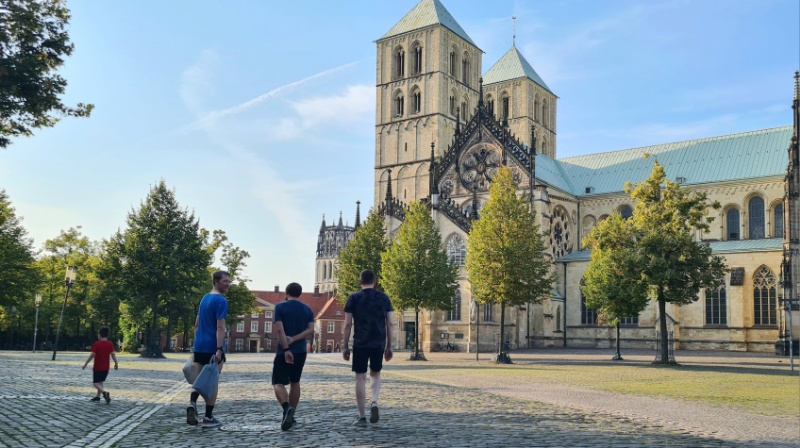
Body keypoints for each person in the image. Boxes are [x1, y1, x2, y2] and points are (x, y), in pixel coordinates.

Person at [342, 269, 394, 426]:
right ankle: (374, 401)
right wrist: (389, 346)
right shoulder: (384, 298)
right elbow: (390, 323)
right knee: (376, 374)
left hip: (360, 342)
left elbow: (347, 324)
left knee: (360, 378)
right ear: (375, 281)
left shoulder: (353, 298)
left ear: (360, 282)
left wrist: (345, 346)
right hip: (378, 342)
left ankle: (362, 417)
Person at [186, 270, 230, 428]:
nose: (228, 284)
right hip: (212, 346)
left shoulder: (204, 298)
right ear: (216, 281)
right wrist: (219, 349)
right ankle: (208, 418)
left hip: (200, 346)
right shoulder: (221, 301)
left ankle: (192, 403)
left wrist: (197, 340)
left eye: (229, 281)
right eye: (225, 281)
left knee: (199, 380)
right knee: (212, 381)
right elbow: (220, 327)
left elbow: (197, 323)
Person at [272, 282, 315, 431]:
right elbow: (311, 330)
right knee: (295, 382)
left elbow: (280, 330)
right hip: (301, 350)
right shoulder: (307, 309)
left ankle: (286, 408)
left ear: (286, 292)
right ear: (300, 293)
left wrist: (286, 348)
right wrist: (295, 339)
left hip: (283, 351)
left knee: (278, 382)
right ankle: (292, 415)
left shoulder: (280, 307)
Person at [82, 326, 118, 404]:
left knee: (95, 383)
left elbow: (92, 355)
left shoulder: (97, 344)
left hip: (98, 367)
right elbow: (113, 354)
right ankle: (98, 396)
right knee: (100, 382)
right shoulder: (110, 344)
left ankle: (104, 393)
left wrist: (86, 363)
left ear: (100, 335)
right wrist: (116, 363)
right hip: (106, 367)